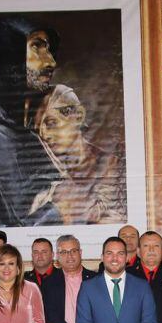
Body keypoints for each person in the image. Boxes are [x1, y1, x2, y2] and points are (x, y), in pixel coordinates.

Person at [0, 17, 63, 227]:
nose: (50, 62)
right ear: (8, 58)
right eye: (36, 47)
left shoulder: (31, 136)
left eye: (47, 49)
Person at [33, 85, 127, 225]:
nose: (44, 135)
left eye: (51, 123)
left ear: (78, 116)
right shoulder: (44, 176)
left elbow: (112, 218)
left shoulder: (110, 164)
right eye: (38, 129)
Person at [127, 230, 162, 323]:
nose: (151, 250)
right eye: (146, 246)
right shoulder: (127, 275)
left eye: (156, 246)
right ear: (138, 252)